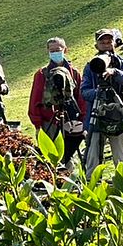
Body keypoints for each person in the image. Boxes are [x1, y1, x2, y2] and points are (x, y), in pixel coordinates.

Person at [82, 28, 123, 175]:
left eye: (109, 41)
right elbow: (84, 92)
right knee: (92, 159)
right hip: (97, 116)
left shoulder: (121, 62)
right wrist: (99, 92)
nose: (106, 44)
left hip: (118, 114)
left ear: (114, 43)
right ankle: (92, 185)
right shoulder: (90, 66)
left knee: (121, 158)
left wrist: (114, 72)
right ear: (96, 45)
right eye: (102, 42)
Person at [29, 37, 87, 170]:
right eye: (52, 50)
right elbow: (35, 100)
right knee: (50, 157)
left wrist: (82, 119)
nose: (55, 53)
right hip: (49, 121)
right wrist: (38, 124)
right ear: (48, 51)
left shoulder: (74, 72)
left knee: (69, 155)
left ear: (65, 50)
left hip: (71, 122)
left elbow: (80, 98)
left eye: (58, 50)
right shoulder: (42, 74)